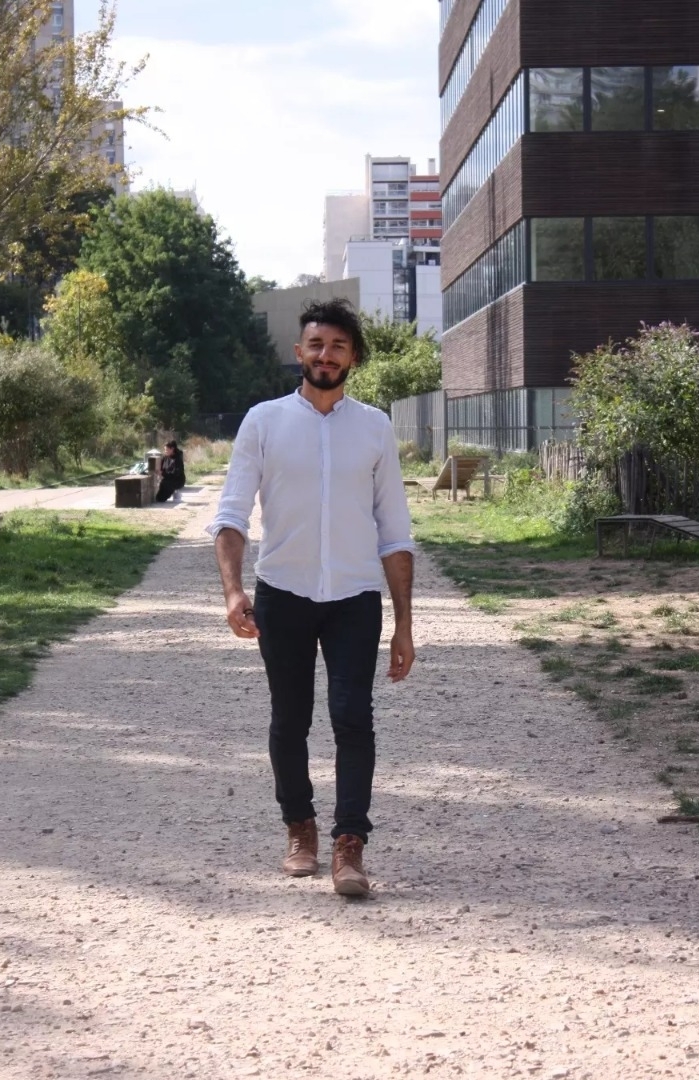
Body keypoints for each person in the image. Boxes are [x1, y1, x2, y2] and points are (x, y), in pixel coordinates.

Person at [208, 298, 415, 897]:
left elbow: (395, 531)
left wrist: (403, 624)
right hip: (284, 594)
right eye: (317, 345)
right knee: (290, 717)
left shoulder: (374, 427)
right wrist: (232, 591)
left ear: (354, 357)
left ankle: (350, 844)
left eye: (338, 346)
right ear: (299, 351)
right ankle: (300, 828)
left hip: (354, 597)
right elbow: (230, 514)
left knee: (353, 717)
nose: (326, 355)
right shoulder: (264, 421)